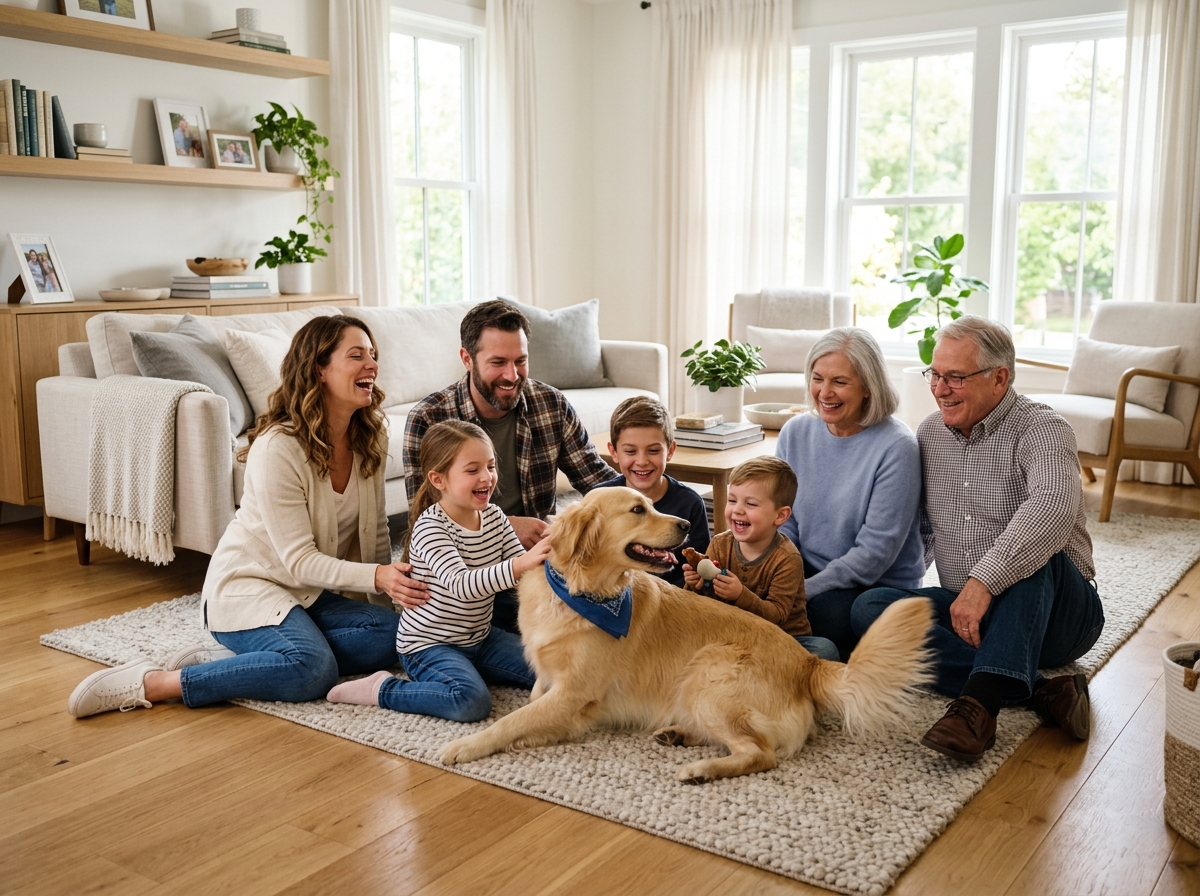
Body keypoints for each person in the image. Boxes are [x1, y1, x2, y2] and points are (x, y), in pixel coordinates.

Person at [66, 316, 410, 719]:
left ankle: (256, 654)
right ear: (319, 368)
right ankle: (156, 682)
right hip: (250, 586)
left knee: (397, 636)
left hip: (310, 593)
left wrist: (394, 592)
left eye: (373, 355)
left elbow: (377, 531)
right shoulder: (279, 446)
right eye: (357, 355)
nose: (371, 364)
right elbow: (298, 561)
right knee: (312, 671)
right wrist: (377, 576)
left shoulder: (370, 435)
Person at [851, 316, 1105, 761]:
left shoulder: (1043, 429)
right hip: (973, 615)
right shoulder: (930, 432)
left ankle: (979, 708)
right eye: (935, 374)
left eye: (955, 377)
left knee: (1030, 548)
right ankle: (1041, 691)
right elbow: (923, 530)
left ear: (999, 378)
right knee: (872, 611)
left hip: (1061, 615)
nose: (940, 388)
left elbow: (1052, 508)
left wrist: (984, 581)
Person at [399, 299, 615, 627]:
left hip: (530, 564)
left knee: (612, 600)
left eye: (521, 361)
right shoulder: (429, 417)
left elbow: (598, 480)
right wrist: (506, 525)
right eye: (498, 362)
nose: (512, 375)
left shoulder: (550, 404)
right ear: (467, 359)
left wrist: (657, 501)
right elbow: (423, 515)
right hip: (460, 579)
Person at [327, 421, 551, 720]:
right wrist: (522, 562)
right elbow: (461, 585)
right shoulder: (430, 528)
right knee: (470, 702)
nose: (487, 477)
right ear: (438, 479)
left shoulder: (495, 517)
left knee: (557, 674)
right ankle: (383, 689)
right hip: (429, 645)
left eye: (490, 466)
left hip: (481, 638)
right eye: (472, 470)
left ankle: (473, 670)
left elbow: (525, 576)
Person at [774, 327, 925, 660]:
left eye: (840, 382)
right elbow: (782, 520)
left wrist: (801, 591)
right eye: (817, 379)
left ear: (868, 388)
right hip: (809, 569)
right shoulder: (795, 432)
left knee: (824, 616)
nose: (824, 392)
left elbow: (872, 554)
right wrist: (779, 575)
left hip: (873, 586)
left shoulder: (897, 446)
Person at [682, 457, 838, 661]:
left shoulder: (787, 558)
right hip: (735, 634)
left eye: (751, 504)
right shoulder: (720, 544)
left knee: (825, 650)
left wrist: (739, 594)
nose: (737, 509)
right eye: (732, 500)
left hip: (782, 639)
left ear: (780, 516)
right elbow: (705, 606)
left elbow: (777, 615)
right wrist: (695, 585)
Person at [595, 396, 710, 588]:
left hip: (671, 603)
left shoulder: (690, 503)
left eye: (654, 451)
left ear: (670, 450)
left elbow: (702, 566)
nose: (642, 461)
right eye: (630, 451)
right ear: (613, 452)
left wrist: (700, 579)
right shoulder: (600, 497)